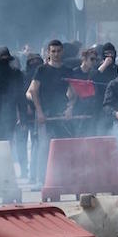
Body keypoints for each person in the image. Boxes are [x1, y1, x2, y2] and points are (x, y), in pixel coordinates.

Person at [26, 39, 73, 185]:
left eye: (58, 51)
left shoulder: (68, 70)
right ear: (48, 52)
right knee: (44, 147)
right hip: (45, 114)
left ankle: (63, 179)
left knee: (63, 147)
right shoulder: (42, 70)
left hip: (62, 113)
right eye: (53, 51)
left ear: (62, 52)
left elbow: (74, 92)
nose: (56, 54)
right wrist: (39, 112)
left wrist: (70, 108)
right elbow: (33, 90)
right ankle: (42, 180)